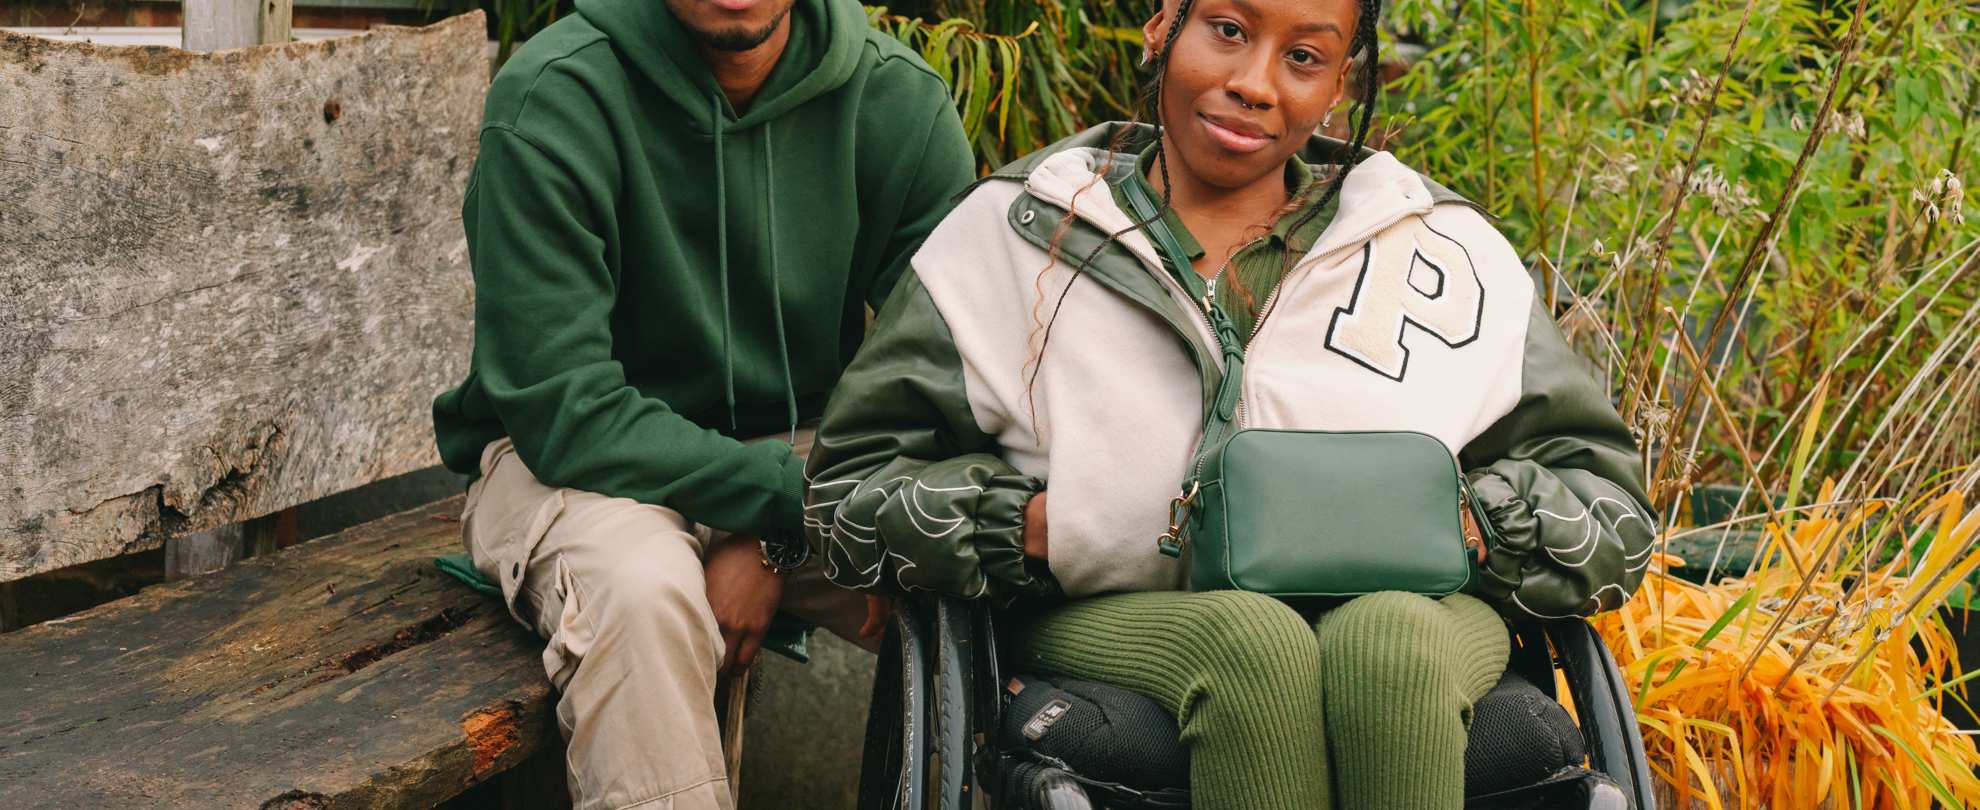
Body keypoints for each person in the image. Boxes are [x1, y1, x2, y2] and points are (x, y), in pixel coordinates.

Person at [803, 0, 1656, 806]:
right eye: (1226, 29)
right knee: (1253, 644)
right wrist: (1028, 525)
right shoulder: (1010, 237)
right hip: (1112, 617)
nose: (1256, 81)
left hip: (1425, 614)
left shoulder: (1442, 248)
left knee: (1390, 644)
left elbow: (1613, 512)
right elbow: (845, 496)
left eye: (1304, 56)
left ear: (1341, 84)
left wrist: (1461, 524)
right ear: (1161, 25)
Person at [428, 0, 977, 805]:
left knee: (983, 552)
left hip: (804, 460)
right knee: (644, 592)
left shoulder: (896, 101)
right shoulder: (555, 95)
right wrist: (779, 505)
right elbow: (562, 408)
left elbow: (950, 375)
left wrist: (766, 534)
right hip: (575, 468)